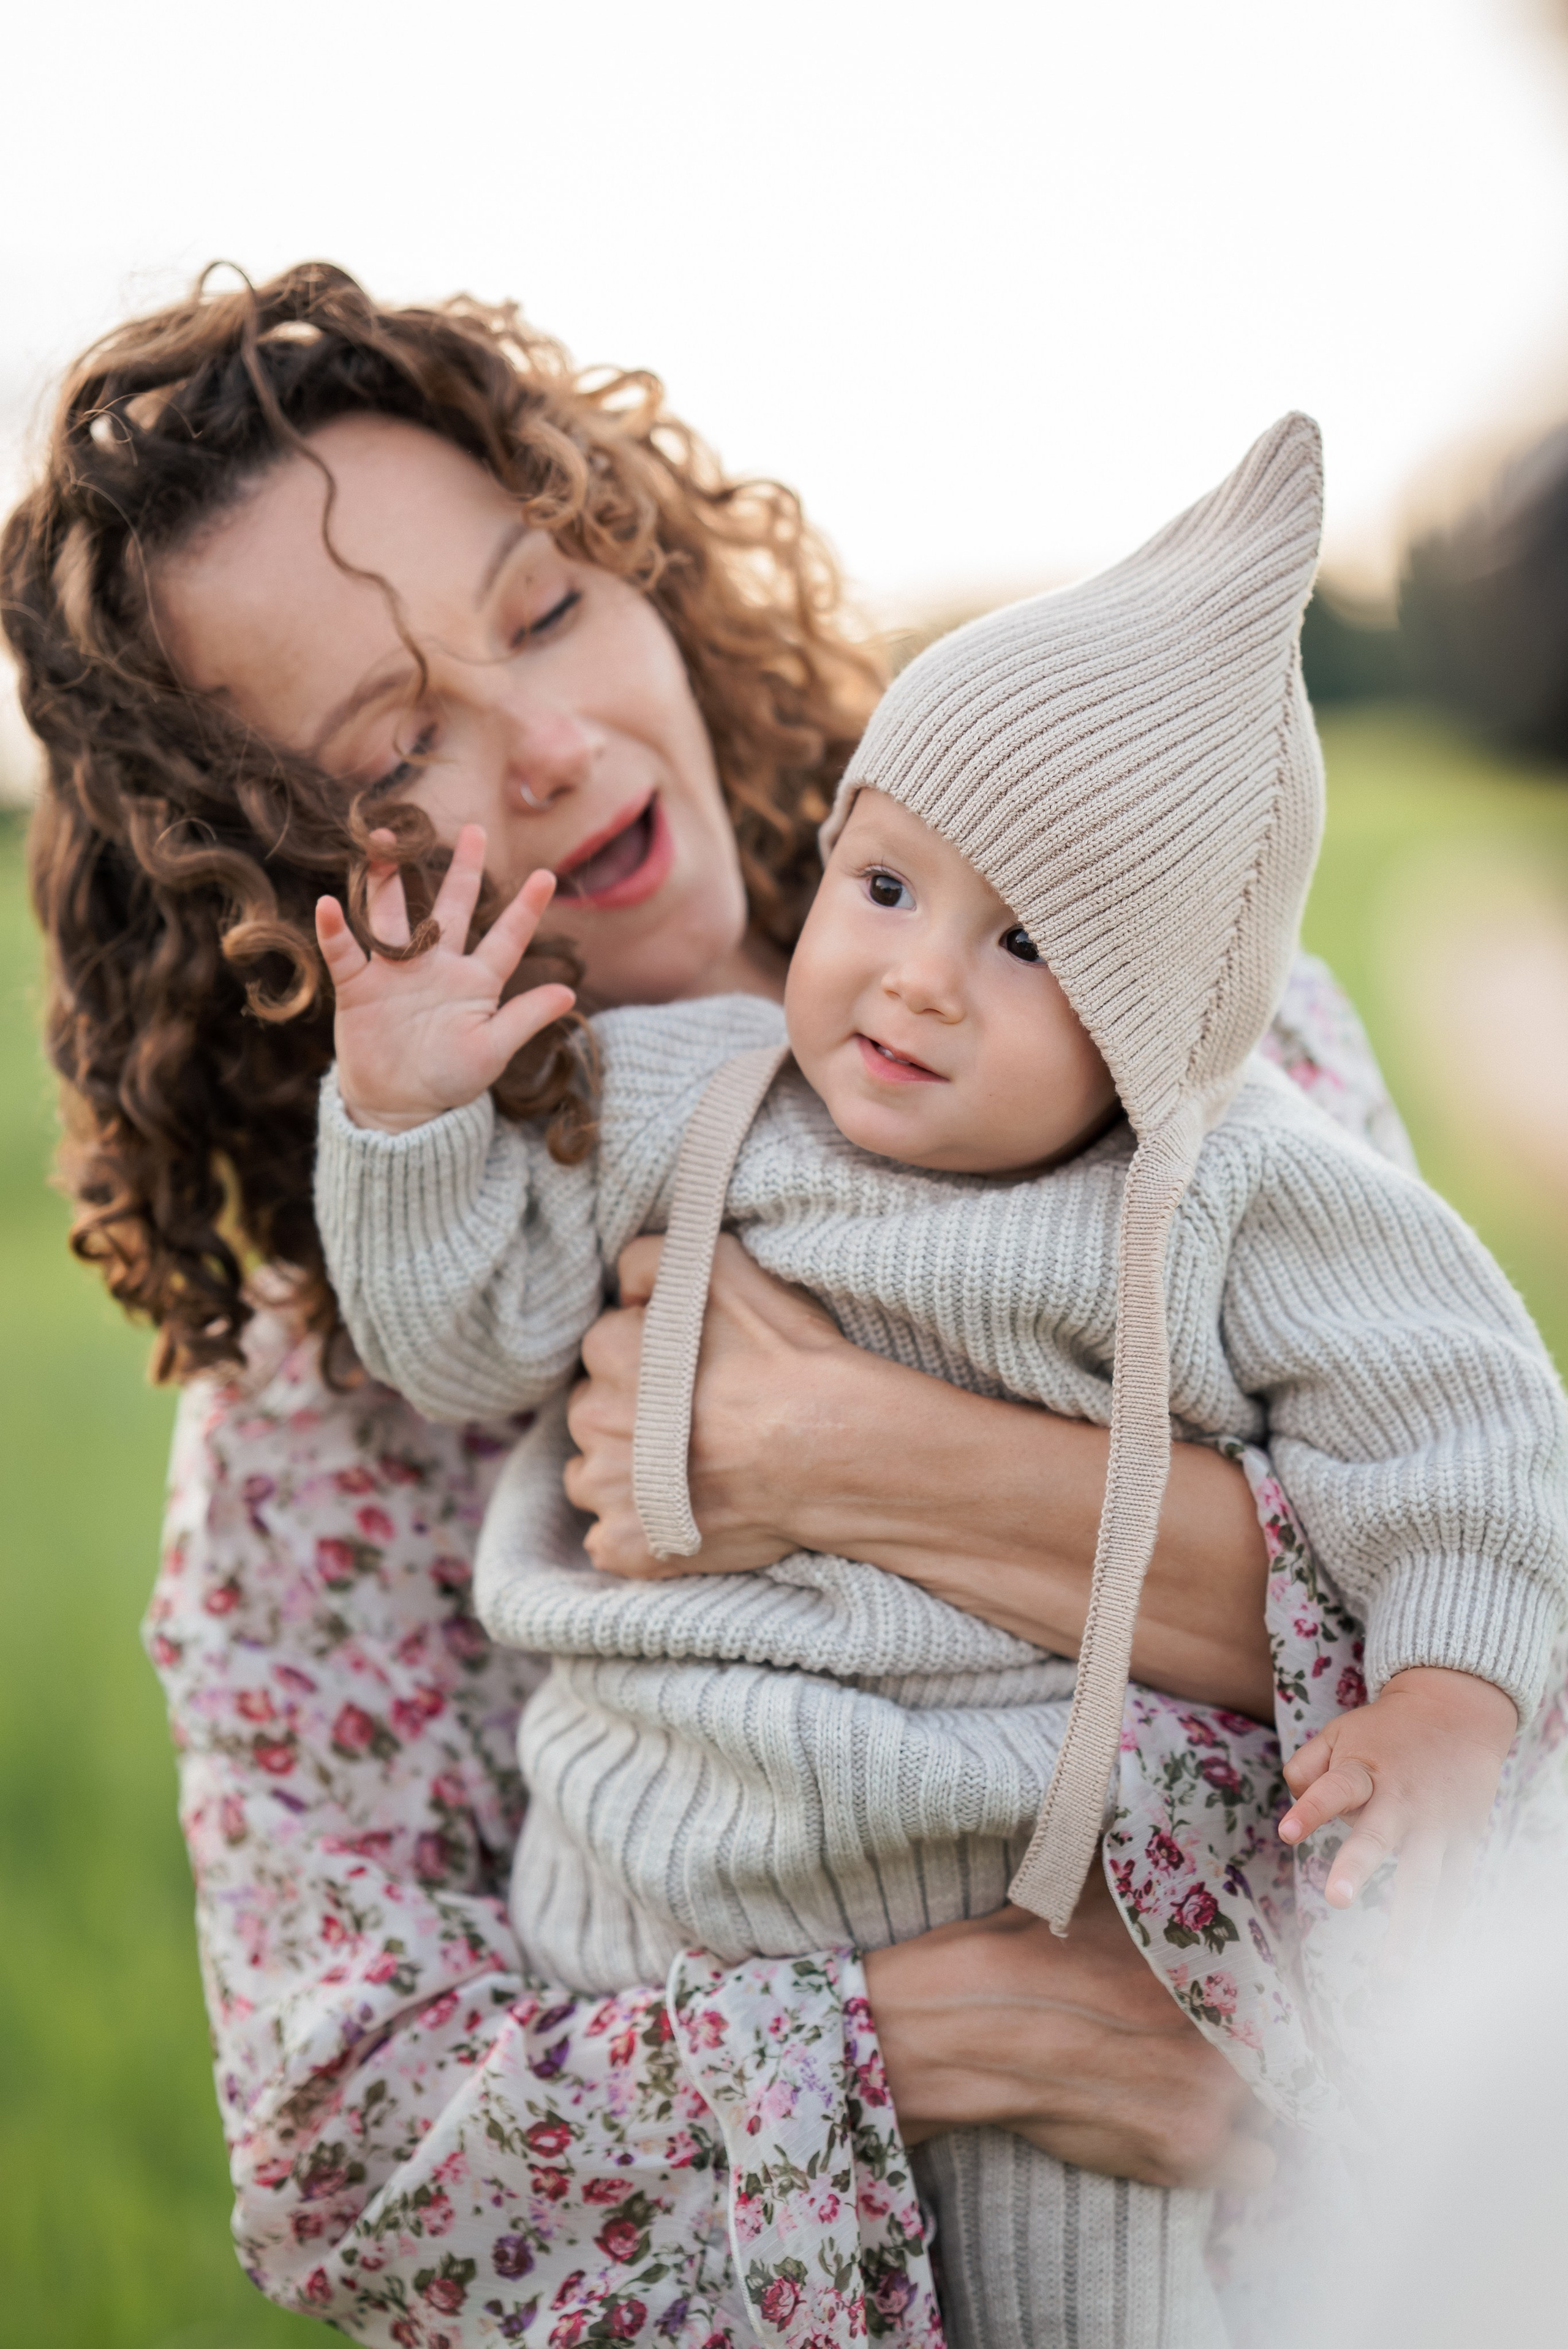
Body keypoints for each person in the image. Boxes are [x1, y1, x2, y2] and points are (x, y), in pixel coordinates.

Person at [2, 264, 1415, 2348]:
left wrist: (849, 1452)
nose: (556, 746)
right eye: (403, 745)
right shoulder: (337, 1412)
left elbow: (1502, 1618)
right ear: (265, 884)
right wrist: (973, 2030)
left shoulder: (1174, 1019)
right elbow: (344, 2140)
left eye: (551, 602)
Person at [309, 415, 1566, 2347]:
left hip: (1093, 1930)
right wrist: (404, 1119)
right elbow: (457, 1336)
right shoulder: (692, 1093)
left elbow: (1465, 1414)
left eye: (1030, 943)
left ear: (1160, 1022)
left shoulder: (1227, 1180)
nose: (914, 981)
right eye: (886, 890)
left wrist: (1448, 1700)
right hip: (673, 1894)